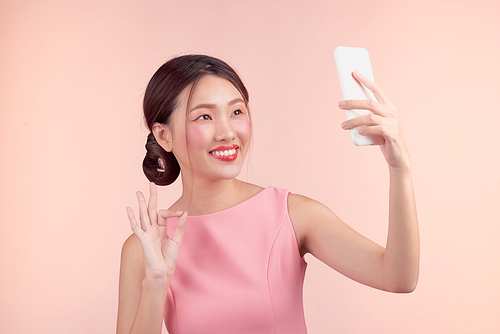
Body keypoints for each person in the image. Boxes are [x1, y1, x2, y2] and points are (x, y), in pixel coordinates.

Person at [116, 54, 419, 334]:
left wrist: (399, 167)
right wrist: (156, 283)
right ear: (163, 135)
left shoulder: (292, 214)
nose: (227, 132)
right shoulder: (145, 247)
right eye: (204, 117)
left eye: (236, 111)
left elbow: (398, 278)